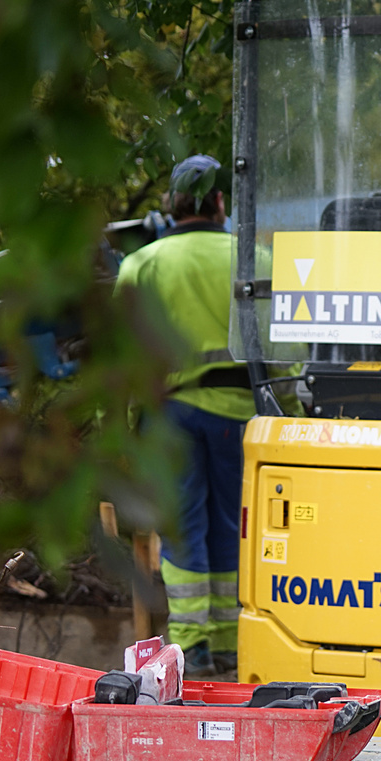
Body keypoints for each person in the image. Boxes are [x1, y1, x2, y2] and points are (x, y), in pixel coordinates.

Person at [115, 155, 253, 673]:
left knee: (183, 529)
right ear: (221, 202)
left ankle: (193, 647)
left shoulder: (142, 265)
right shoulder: (253, 256)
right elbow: (290, 347)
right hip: (241, 416)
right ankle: (231, 644)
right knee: (232, 527)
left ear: (172, 204)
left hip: (170, 417)